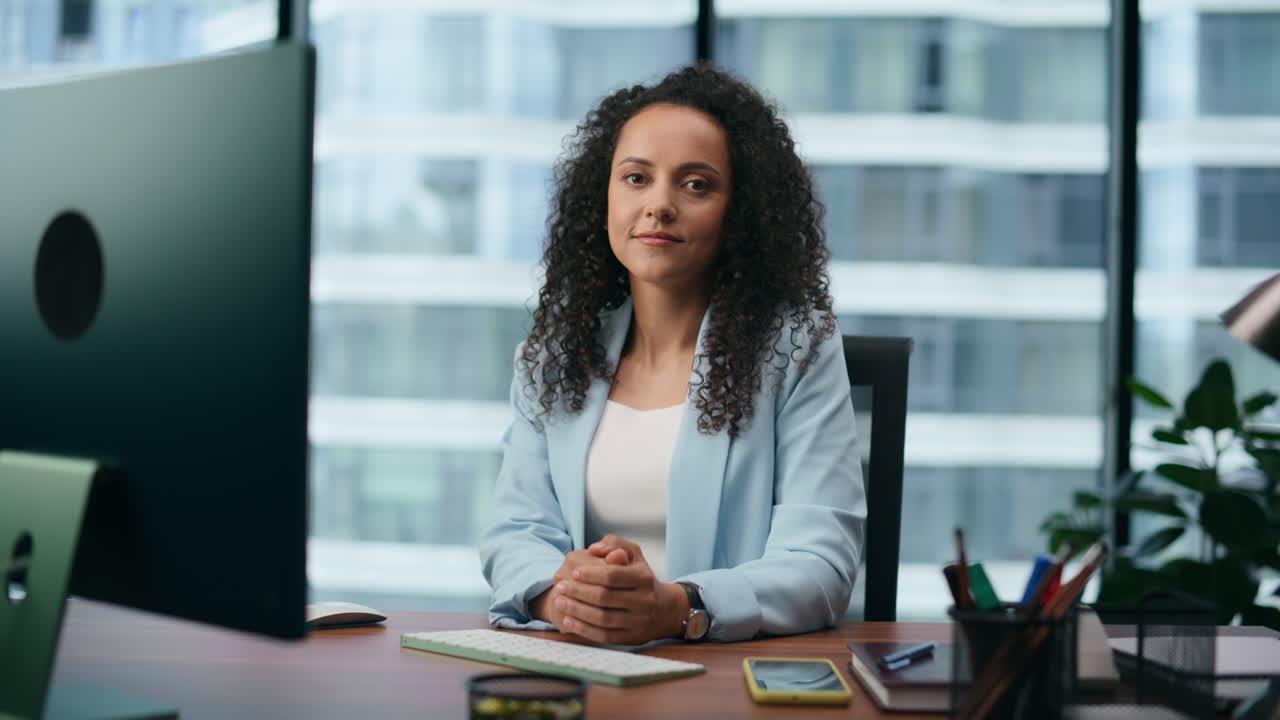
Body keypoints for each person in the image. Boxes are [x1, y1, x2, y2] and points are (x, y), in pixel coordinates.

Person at [479, 63, 865, 645]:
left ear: (741, 212)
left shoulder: (797, 347)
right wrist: (566, 600)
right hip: (582, 667)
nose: (659, 205)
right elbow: (515, 530)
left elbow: (820, 563)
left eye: (696, 185)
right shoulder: (554, 355)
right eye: (636, 178)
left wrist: (675, 607)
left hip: (724, 682)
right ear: (601, 196)